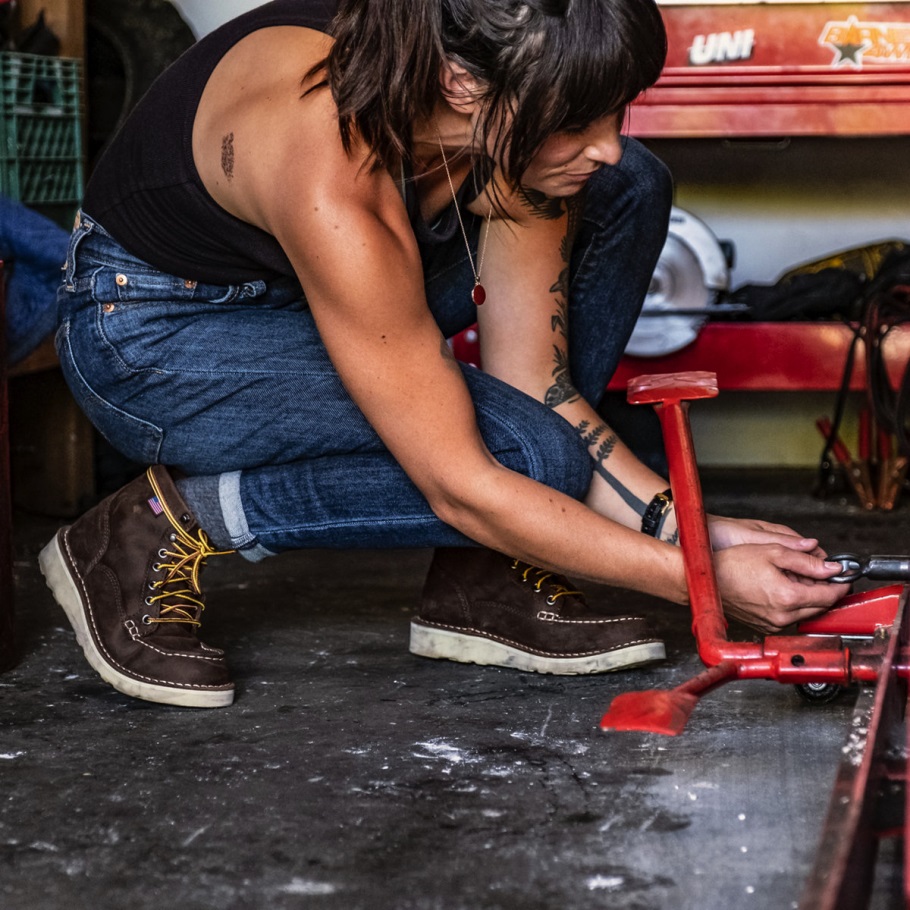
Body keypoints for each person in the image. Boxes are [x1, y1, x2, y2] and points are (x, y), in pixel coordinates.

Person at [39, 0, 845, 709]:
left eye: (615, 112)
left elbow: (541, 387)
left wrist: (690, 531)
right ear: (463, 83)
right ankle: (151, 527)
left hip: (310, 293)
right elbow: (462, 481)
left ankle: (488, 573)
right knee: (524, 456)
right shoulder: (329, 161)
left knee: (627, 184)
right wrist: (698, 582)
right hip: (153, 336)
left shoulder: (489, 103)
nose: (602, 144)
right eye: (576, 121)